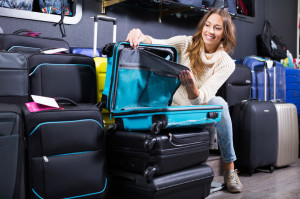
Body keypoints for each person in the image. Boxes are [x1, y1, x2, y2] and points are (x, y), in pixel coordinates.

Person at [125, 8, 243, 193]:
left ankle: (229, 170)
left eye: (217, 28)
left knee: (219, 102)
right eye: (207, 25)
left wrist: (191, 87)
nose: (210, 31)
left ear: (224, 34)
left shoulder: (226, 62)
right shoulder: (185, 43)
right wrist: (139, 35)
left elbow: (201, 99)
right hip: (174, 112)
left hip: (200, 114)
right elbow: (155, 43)